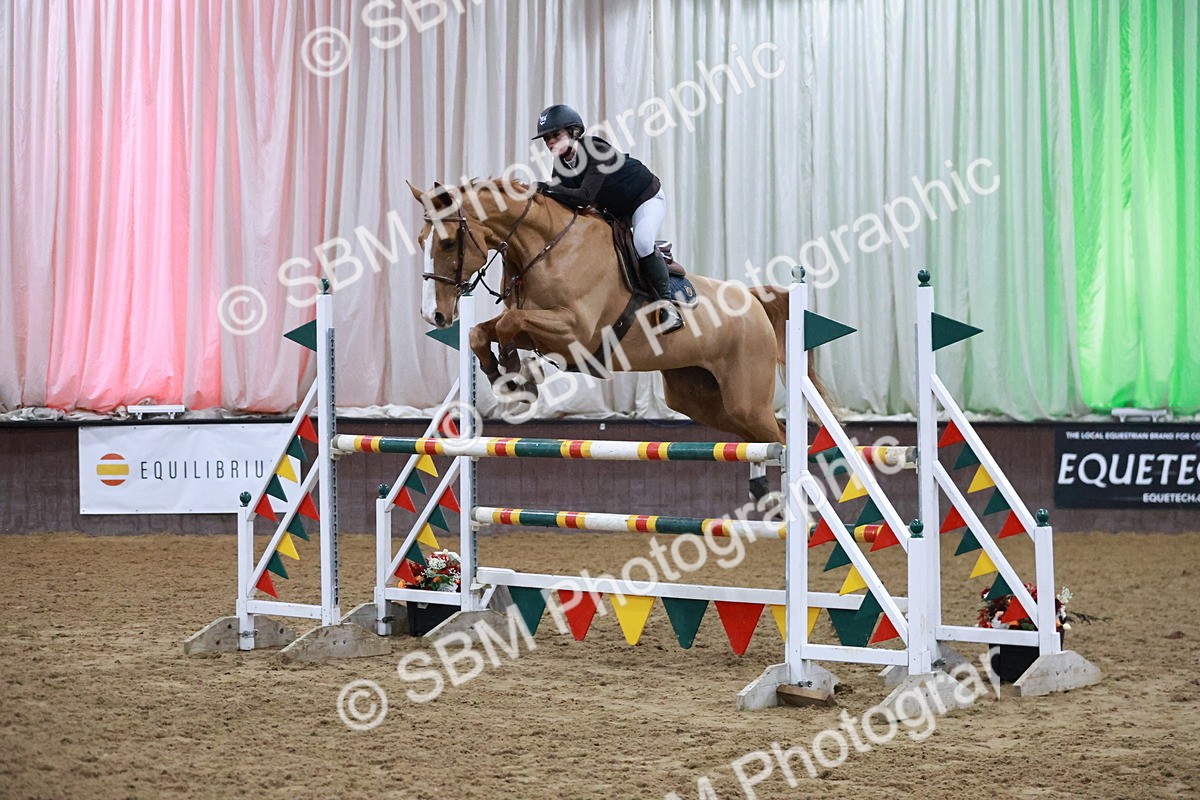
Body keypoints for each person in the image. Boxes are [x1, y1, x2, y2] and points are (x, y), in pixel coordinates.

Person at [533, 104, 684, 334]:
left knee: (642, 241)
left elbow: (584, 197)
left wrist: (544, 188)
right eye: (547, 139)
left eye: (556, 135)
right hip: (616, 211)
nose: (551, 142)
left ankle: (668, 306)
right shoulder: (561, 165)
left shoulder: (594, 149)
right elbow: (558, 202)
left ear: (574, 132)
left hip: (644, 198)